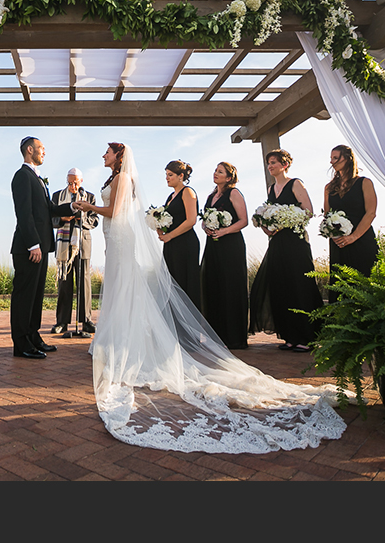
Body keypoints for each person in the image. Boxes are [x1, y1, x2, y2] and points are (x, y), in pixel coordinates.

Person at [74, 143, 346, 454]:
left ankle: (221, 336)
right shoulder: (192, 195)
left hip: (197, 243)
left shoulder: (203, 192)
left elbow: (183, 219)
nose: (166, 177)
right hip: (161, 240)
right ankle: (122, 336)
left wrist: (89, 208)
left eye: (169, 173)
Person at [9, 137, 78, 359]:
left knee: (36, 295)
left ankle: (33, 335)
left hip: (41, 247)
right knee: (24, 296)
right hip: (29, 248)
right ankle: (21, 344)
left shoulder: (37, 178)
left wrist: (71, 206)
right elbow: (24, 213)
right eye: (41, 149)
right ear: (30, 150)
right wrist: (33, 244)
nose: (44, 152)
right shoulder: (22, 176)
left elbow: (47, 208)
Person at [248, 150, 323, 352]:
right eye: (268, 163)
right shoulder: (272, 189)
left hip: (295, 241)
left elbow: (308, 211)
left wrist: (284, 223)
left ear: (285, 164)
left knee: (299, 284)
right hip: (277, 243)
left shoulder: (296, 184)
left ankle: (307, 336)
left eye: (273, 162)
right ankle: (290, 335)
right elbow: (270, 215)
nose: (270, 166)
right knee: (282, 285)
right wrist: (265, 226)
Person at [199, 162, 250, 349]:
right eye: (215, 170)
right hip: (213, 245)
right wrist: (206, 227)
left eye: (220, 172)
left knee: (231, 287)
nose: (215, 173)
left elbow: (244, 221)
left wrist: (224, 231)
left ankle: (234, 338)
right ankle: (216, 336)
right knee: (213, 285)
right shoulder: (211, 196)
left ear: (229, 178)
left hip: (230, 246)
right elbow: (204, 220)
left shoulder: (234, 193)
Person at [324, 145, 378, 303]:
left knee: (365, 285)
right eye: (331, 158)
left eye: (336, 158)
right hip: (338, 243)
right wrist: (332, 234)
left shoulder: (364, 183)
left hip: (362, 240)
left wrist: (353, 237)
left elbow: (371, 213)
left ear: (347, 159)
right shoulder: (328, 188)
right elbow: (327, 215)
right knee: (340, 285)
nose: (331, 161)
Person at [51, 168, 98, 335]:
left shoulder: (90, 197)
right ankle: (62, 322)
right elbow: (51, 217)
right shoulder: (57, 196)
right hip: (63, 244)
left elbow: (95, 220)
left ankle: (86, 321)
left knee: (84, 281)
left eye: (75, 183)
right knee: (64, 281)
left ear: (81, 181)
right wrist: (62, 219)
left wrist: (82, 219)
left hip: (82, 242)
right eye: (69, 182)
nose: (72, 186)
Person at [157, 159, 201, 310]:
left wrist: (170, 236)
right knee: (171, 283)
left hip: (185, 243)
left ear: (181, 176)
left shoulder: (188, 192)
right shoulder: (170, 197)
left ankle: (188, 328)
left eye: (170, 175)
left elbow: (191, 220)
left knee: (184, 282)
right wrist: (158, 227)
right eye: (166, 175)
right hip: (171, 244)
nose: (167, 178)